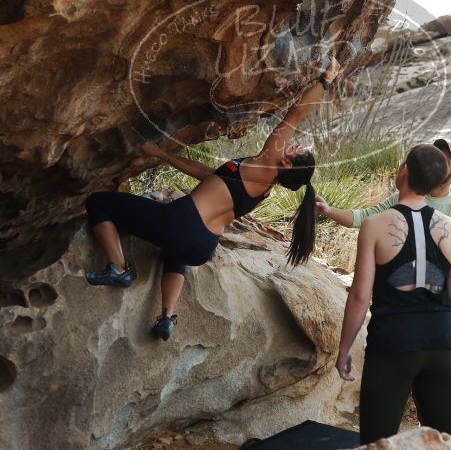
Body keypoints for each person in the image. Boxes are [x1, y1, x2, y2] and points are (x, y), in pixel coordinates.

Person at [84, 57, 341, 340]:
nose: (290, 144)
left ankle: (118, 268)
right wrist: (163, 156)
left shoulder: (267, 160)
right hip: (201, 246)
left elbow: (296, 114)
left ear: (288, 165)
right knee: (174, 253)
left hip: (180, 223)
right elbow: (209, 176)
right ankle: (167, 317)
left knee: (98, 203)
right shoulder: (264, 188)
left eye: (293, 149)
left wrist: (325, 81)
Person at [335, 144, 451, 445]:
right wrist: (443, 334)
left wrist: (344, 349)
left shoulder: (375, 225)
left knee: (377, 443)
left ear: (404, 169)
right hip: (441, 345)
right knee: (444, 444)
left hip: (393, 343)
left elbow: (359, 296)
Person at [315, 139, 451, 234]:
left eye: (445, 162)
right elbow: (364, 217)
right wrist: (328, 210)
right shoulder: (405, 197)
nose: (436, 163)